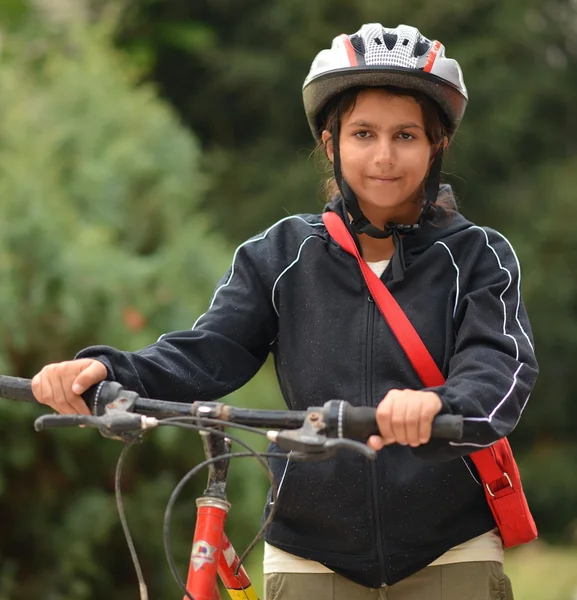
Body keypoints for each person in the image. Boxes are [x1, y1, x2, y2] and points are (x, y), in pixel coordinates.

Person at [32, 23, 538, 600]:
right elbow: (207, 351)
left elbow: (499, 373)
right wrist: (107, 370)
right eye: (363, 133)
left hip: (450, 548)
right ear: (331, 142)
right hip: (309, 554)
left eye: (405, 136)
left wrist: (437, 406)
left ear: (436, 145)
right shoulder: (279, 256)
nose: (383, 156)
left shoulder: (479, 257)